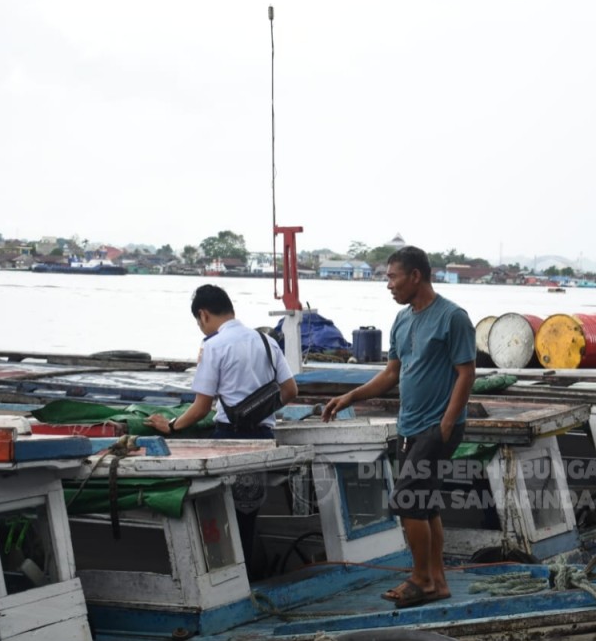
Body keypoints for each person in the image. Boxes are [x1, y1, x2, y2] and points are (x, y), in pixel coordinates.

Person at [321, 246, 475, 608]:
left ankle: (420, 578)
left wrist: (447, 424)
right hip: (409, 425)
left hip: (436, 427)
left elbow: (466, 373)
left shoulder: (452, 317)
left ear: (415, 276)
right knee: (425, 504)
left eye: (392, 277)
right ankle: (438, 581)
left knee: (407, 500)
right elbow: (392, 373)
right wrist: (350, 397)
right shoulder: (403, 320)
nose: (388, 285)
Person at [144, 284, 298, 580]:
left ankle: (228, 581)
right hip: (264, 440)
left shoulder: (214, 346)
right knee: (248, 514)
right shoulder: (266, 341)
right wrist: (259, 408)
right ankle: (250, 579)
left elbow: (202, 407)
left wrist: (172, 425)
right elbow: (290, 390)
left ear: (203, 314)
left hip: (229, 438)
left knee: (221, 513)